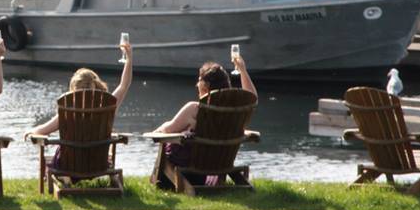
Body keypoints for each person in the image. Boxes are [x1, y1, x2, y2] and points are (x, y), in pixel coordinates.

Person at [152, 55, 257, 187]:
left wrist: (162, 128)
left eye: (199, 83)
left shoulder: (194, 110)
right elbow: (252, 97)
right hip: (220, 165)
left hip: (189, 169)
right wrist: (243, 70)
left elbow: (167, 131)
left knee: (168, 136)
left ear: (205, 87)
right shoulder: (237, 112)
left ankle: (160, 182)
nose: (197, 86)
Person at [26, 40, 134, 138]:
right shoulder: (106, 106)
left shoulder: (68, 112)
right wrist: (129, 60)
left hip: (68, 160)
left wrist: (31, 131)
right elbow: (124, 85)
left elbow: (41, 131)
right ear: (96, 86)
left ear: (73, 90)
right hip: (98, 160)